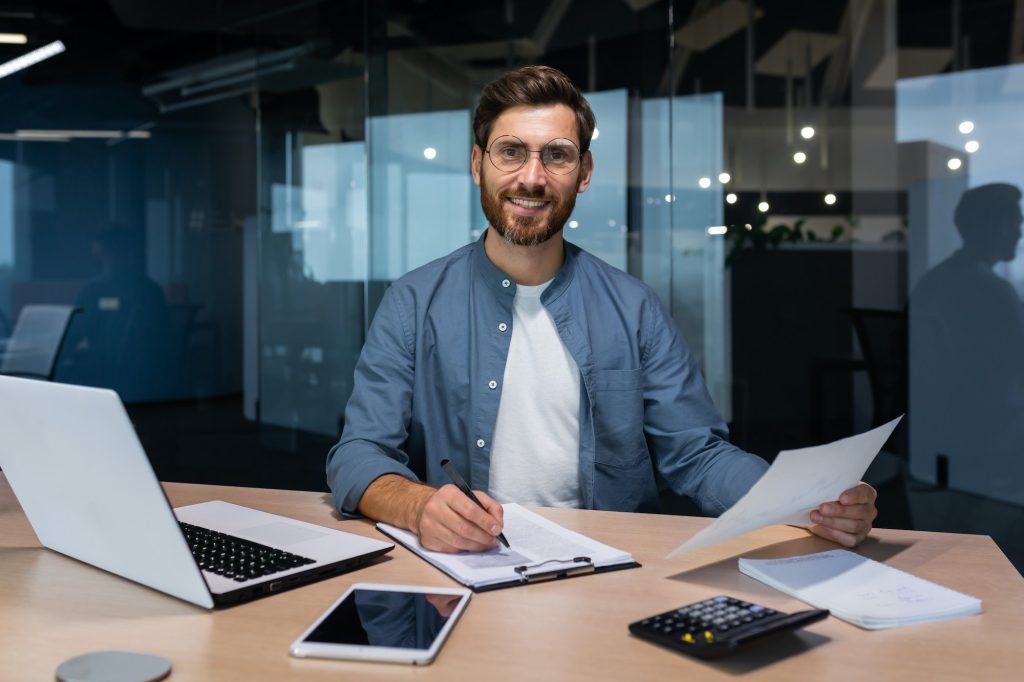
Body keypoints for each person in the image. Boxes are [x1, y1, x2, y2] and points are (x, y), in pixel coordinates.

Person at [327, 65, 877, 553]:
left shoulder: (632, 307)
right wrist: (420, 506)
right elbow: (358, 455)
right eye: (511, 151)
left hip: (607, 572)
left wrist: (808, 503)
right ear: (478, 165)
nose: (533, 177)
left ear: (584, 173)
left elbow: (697, 454)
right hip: (465, 570)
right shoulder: (413, 301)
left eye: (557, 155)